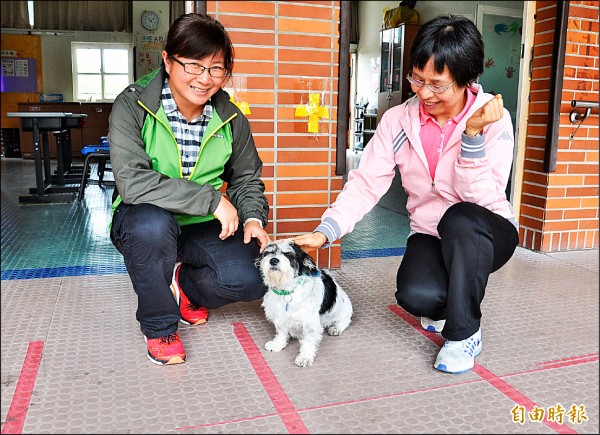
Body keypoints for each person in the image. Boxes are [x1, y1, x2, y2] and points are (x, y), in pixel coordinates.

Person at [292, 14, 519, 374]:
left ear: (466, 79)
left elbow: (482, 198)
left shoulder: (493, 119)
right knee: (416, 296)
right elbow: (366, 182)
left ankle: (465, 334)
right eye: (418, 79)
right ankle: (449, 307)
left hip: (487, 230)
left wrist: (472, 137)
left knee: (460, 217)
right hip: (431, 231)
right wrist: (326, 231)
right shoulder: (398, 119)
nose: (424, 93)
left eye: (438, 85)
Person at [108, 13, 270, 366]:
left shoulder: (231, 117)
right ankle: (159, 325)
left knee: (252, 277)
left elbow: (246, 178)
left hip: (199, 224)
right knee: (151, 228)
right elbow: (133, 181)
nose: (204, 79)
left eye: (216, 69)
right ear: (167, 60)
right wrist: (211, 199)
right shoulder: (132, 106)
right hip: (144, 219)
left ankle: (184, 285)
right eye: (193, 65)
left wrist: (254, 218)